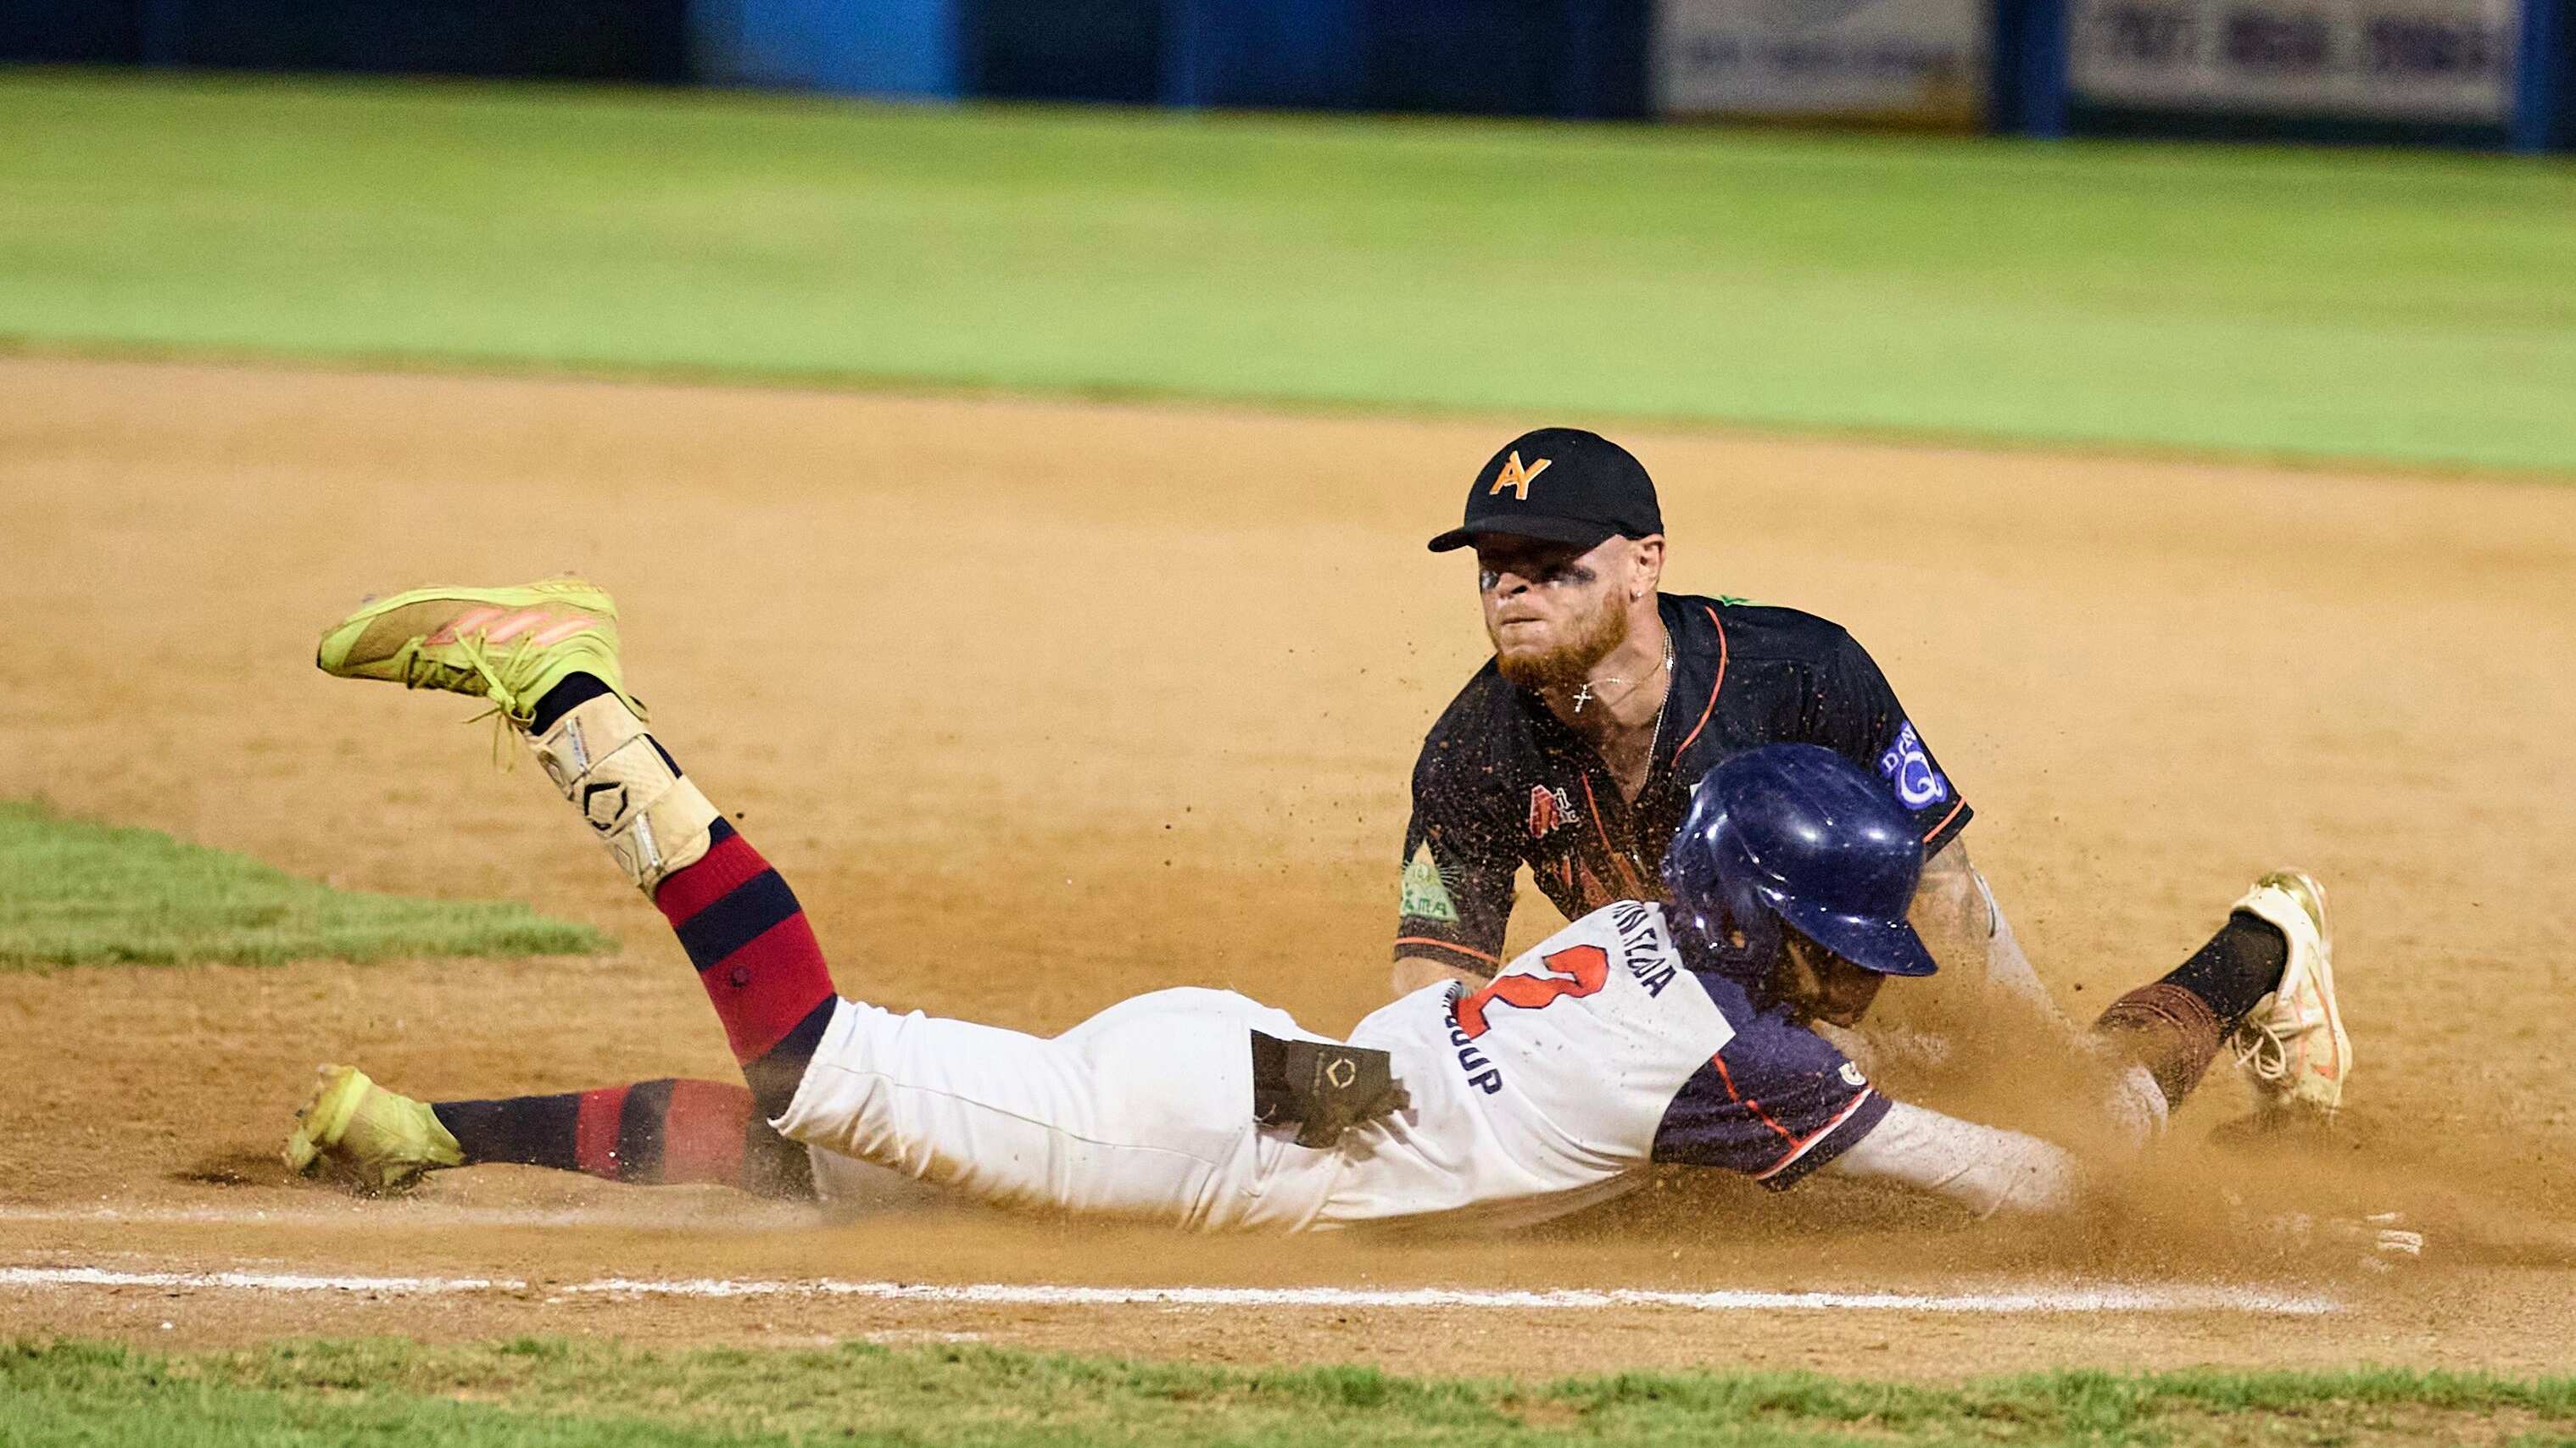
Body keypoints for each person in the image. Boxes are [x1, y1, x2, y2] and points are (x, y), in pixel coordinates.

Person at [283, 581, 2350, 1228]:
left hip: (1280, 1080)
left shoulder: (1634, 950)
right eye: (1842, 945)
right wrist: (2168, 1157)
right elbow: (2042, 1189)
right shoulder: (1753, 1056)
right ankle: (575, 698)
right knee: (822, 1066)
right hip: (1206, 1133)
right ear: (1781, 930)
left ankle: (427, 1136)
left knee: (837, 1161)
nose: (1851, 976)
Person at [1391, 427, 2341, 1133]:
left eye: (1552, 566)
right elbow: (1429, 998)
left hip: (1880, 956)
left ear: (1644, 564)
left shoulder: (1796, 669)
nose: (1511, 591)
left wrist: (1919, 1060)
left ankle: (2261, 949)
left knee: (2082, 1122)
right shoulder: (1471, 749)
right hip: (1703, 987)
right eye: (1491, 571)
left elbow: (1938, 892)